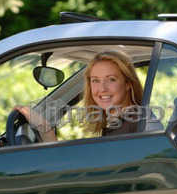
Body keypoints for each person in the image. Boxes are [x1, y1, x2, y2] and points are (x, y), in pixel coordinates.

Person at [12, 50, 143, 141]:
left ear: (128, 83)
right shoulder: (123, 123)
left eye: (111, 79)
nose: (102, 89)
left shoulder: (133, 126)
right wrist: (43, 126)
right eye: (95, 80)